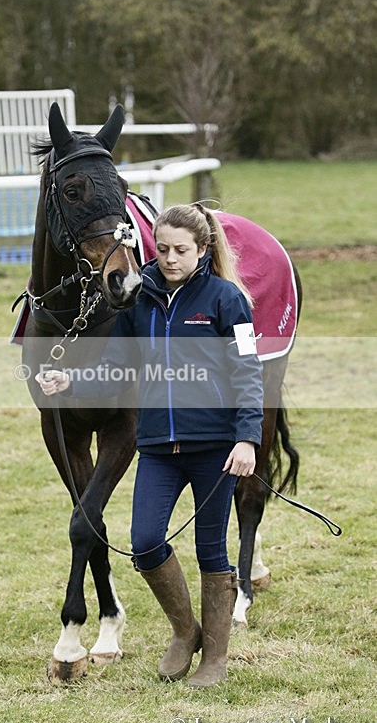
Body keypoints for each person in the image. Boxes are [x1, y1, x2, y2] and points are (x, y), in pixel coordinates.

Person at [37, 203, 263, 688]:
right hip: (159, 447)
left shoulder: (227, 300)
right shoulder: (138, 303)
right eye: (161, 250)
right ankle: (185, 632)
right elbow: (116, 367)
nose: (170, 259)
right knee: (144, 543)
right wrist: (69, 380)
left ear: (202, 250)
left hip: (214, 448)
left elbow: (248, 372)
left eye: (181, 250)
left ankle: (215, 660)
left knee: (210, 551)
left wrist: (247, 437)